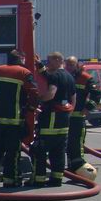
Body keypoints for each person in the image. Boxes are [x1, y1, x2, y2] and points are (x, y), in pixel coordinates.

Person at [0, 50, 39, 187]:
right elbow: (35, 92)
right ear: (20, 59)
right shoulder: (24, 73)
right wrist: (31, 108)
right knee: (13, 152)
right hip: (15, 121)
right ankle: (11, 180)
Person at [30, 52, 77, 187]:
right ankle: (56, 179)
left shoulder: (56, 76)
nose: (47, 64)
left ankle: (39, 180)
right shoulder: (69, 76)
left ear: (57, 60)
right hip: (64, 120)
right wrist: (39, 64)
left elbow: (51, 94)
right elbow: (73, 99)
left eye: (49, 61)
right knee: (58, 151)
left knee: (39, 149)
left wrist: (38, 101)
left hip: (51, 119)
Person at [64, 56, 101, 173]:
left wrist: (88, 107)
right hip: (63, 116)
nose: (69, 67)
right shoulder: (63, 76)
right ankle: (71, 167)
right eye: (67, 64)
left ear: (77, 65)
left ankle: (78, 168)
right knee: (66, 144)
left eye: (71, 65)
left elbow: (97, 93)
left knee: (76, 144)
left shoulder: (85, 78)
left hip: (77, 117)